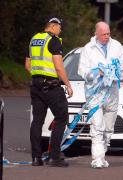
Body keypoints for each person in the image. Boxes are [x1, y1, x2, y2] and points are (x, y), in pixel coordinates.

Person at [78, 21, 123, 168]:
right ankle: (97, 159)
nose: (107, 36)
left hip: (112, 94)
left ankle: (102, 155)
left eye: (108, 33)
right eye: (104, 34)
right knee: (97, 127)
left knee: (108, 129)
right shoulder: (88, 49)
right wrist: (97, 73)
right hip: (95, 94)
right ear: (97, 34)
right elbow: (82, 71)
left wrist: (116, 72)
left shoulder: (117, 46)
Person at [25, 17, 73, 167]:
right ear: (53, 26)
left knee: (37, 121)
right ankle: (54, 157)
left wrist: (38, 76)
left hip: (36, 86)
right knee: (61, 118)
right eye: (59, 27)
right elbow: (59, 67)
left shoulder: (34, 39)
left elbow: (28, 65)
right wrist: (68, 85)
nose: (60, 30)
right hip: (51, 87)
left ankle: (36, 158)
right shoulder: (54, 40)